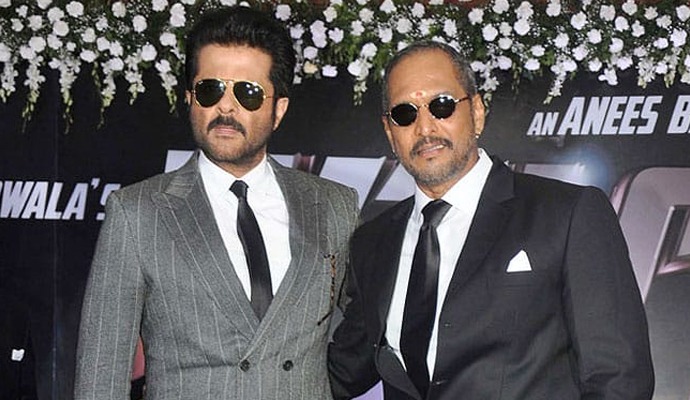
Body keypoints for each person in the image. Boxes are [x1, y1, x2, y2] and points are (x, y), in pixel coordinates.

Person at [328, 41, 654, 400]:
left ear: (477, 112)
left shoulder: (567, 214)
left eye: (442, 105)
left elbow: (618, 379)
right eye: (405, 114)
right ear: (390, 132)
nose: (425, 127)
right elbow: (343, 370)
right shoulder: (372, 242)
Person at [74, 6, 358, 400]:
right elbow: (100, 374)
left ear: (278, 110)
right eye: (210, 90)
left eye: (248, 93)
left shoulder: (333, 205)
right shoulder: (137, 212)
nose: (226, 107)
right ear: (190, 98)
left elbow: (371, 330)